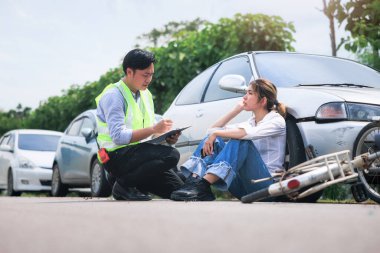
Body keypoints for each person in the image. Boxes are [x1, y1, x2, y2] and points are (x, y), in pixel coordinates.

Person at [170, 78, 287, 201]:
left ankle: (202, 185)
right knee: (213, 139)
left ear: (263, 101)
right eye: (246, 92)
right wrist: (235, 111)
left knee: (241, 140)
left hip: (266, 188)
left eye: (250, 93)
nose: (245, 97)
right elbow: (211, 131)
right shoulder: (250, 122)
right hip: (245, 189)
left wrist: (215, 133)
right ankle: (194, 182)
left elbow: (247, 134)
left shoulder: (276, 121)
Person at [96, 49, 183, 201]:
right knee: (172, 156)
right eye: (145, 75)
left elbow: (148, 133)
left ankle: (130, 183)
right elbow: (118, 137)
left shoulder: (146, 95)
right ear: (129, 72)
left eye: (151, 74)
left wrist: (165, 137)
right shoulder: (114, 95)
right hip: (115, 156)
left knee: (179, 190)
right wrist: (154, 129)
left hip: (138, 157)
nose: (149, 79)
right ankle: (123, 185)